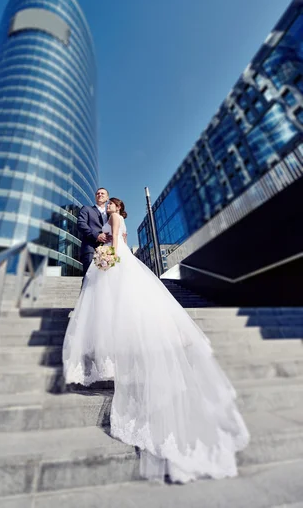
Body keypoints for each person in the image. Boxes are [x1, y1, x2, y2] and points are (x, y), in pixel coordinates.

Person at [63, 197, 250, 483]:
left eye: (111, 204)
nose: (109, 208)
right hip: (125, 262)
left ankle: (115, 355)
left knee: (111, 307)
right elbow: (122, 239)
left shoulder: (113, 218)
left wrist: (104, 260)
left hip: (116, 261)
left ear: (116, 207)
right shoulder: (121, 221)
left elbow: (114, 244)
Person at [77, 188, 111, 278]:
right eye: (98, 193)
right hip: (91, 249)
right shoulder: (86, 209)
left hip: (108, 252)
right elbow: (81, 224)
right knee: (89, 279)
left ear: (107, 198)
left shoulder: (111, 215)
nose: (100, 195)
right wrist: (97, 235)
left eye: (102, 193)